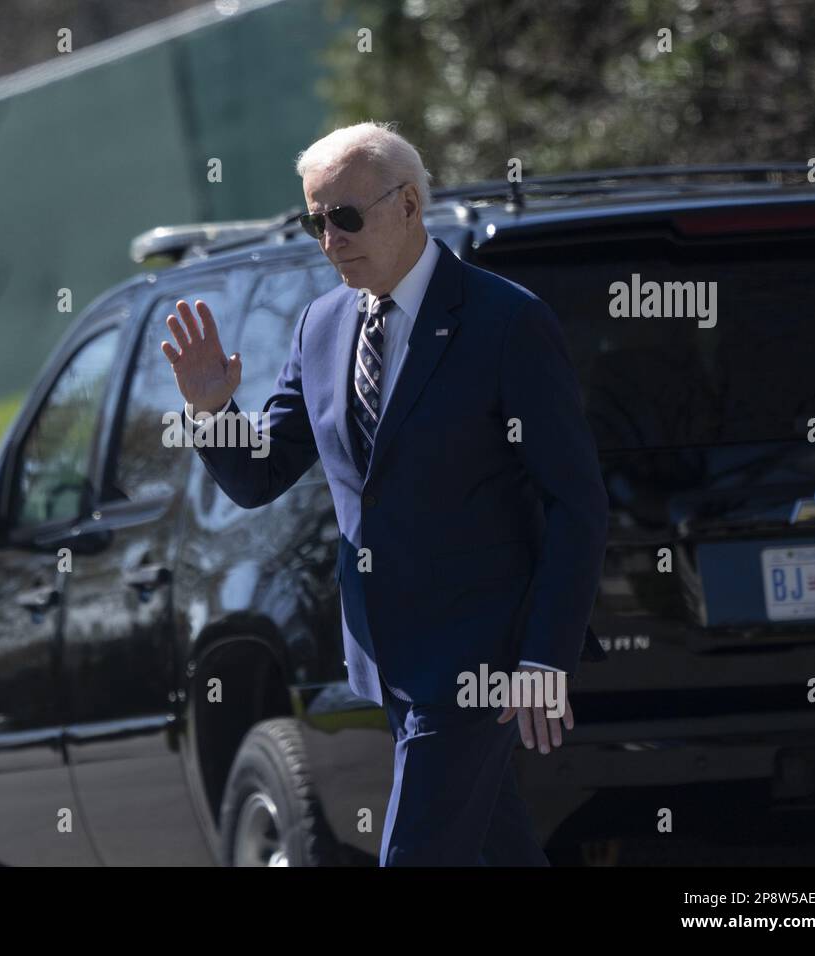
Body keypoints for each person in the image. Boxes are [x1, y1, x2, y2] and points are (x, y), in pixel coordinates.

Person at [161, 121, 607, 865]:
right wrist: (214, 412)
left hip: (483, 662)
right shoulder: (321, 325)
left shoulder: (506, 322)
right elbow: (260, 473)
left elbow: (576, 504)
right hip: (389, 656)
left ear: (407, 205)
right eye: (316, 222)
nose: (331, 240)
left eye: (346, 217)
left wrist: (543, 660)